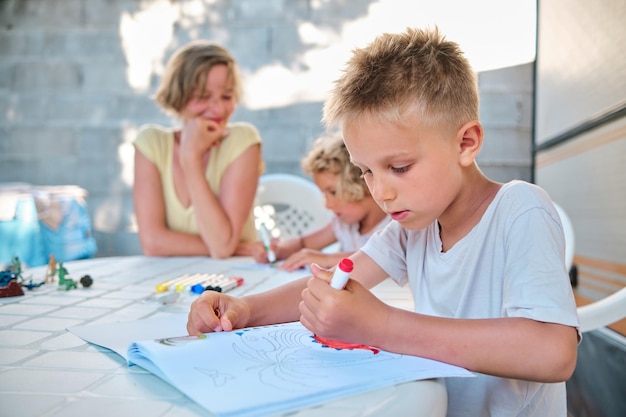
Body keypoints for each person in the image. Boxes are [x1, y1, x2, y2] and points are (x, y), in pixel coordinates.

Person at [187, 27, 579, 416]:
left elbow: (552, 351)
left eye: (399, 167)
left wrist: (383, 325)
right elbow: (334, 280)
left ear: (466, 143)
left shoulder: (521, 210)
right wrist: (243, 309)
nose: (381, 192)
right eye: (366, 172)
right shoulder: (416, 227)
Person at [133, 41, 263, 258]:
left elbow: (221, 247)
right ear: (179, 97)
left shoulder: (243, 141)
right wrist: (239, 248)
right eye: (203, 97)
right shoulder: (151, 143)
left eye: (227, 96)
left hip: (235, 277)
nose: (219, 109)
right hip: (172, 278)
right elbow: (152, 243)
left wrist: (190, 157)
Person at [251, 134, 390, 271]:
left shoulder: (395, 224)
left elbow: (383, 258)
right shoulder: (344, 225)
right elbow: (303, 243)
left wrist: (326, 259)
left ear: (365, 182)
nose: (328, 205)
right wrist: (279, 250)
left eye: (333, 192)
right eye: (325, 194)